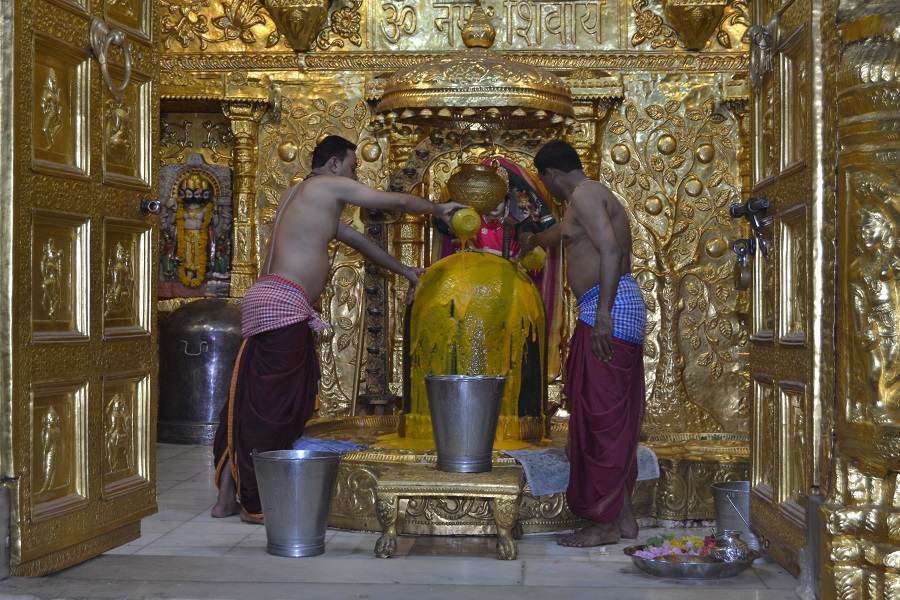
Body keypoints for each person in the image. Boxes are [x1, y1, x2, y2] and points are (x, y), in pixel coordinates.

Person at [211, 135, 466, 523]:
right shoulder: (327, 186)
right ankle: (256, 500)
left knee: (250, 397)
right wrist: (439, 209)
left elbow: (359, 242)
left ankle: (227, 497)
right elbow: (394, 201)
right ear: (333, 165)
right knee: (273, 406)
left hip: (265, 300)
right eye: (352, 168)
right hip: (282, 306)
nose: (354, 176)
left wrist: (406, 272)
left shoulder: (299, 196)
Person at [521, 139, 646, 547]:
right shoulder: (585, 200)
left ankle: (605, 525)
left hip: (605, 310)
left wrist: (604, 315)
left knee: (599, 422)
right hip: (602, 307)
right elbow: (563, 234)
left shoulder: (586, 194)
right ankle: (624, 520)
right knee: (608, 419)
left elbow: (610, 250)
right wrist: (532, 241)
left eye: (545, 182)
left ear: (552, 175)